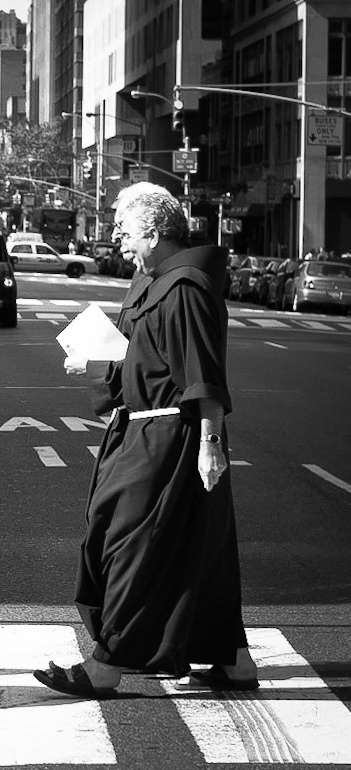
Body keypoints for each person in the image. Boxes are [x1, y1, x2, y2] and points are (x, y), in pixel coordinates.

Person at [34, 187, 257, 698]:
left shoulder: (185, 288)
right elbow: (143, 356)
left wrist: (210, 443)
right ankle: (235, 661)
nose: (119, 240)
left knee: (131, 543)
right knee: (197, 549)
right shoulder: (150, 281)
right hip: (138, 427)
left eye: (127, 231)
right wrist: (99, 368)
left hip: (171, 437)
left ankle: (105, 666)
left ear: (155, 235)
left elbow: (203, 373)